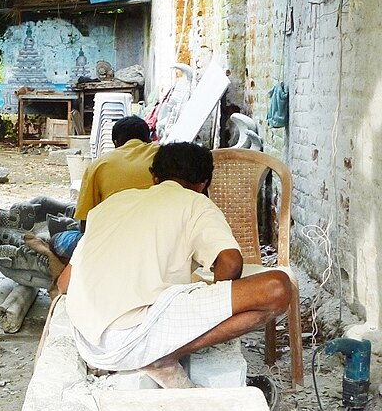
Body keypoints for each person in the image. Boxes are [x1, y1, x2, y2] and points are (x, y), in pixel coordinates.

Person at [65, 142, 292, 388]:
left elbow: (65, 281)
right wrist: (215, 303)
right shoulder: (196, 202)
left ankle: (155, 353)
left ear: (154, 176)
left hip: (89, 342)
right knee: (277, 287)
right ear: (204, 183)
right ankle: (161, 356)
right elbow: (230, 262)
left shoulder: (112, 203)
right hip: (133, 337)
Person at [27, 115, 158, 289]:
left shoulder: (100, 164)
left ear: (116, 142)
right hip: (155, 240)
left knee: (57, 241)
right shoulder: (165, 158)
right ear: (148, 137)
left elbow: (85, 227)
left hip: (112, 244)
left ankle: (75, 281)